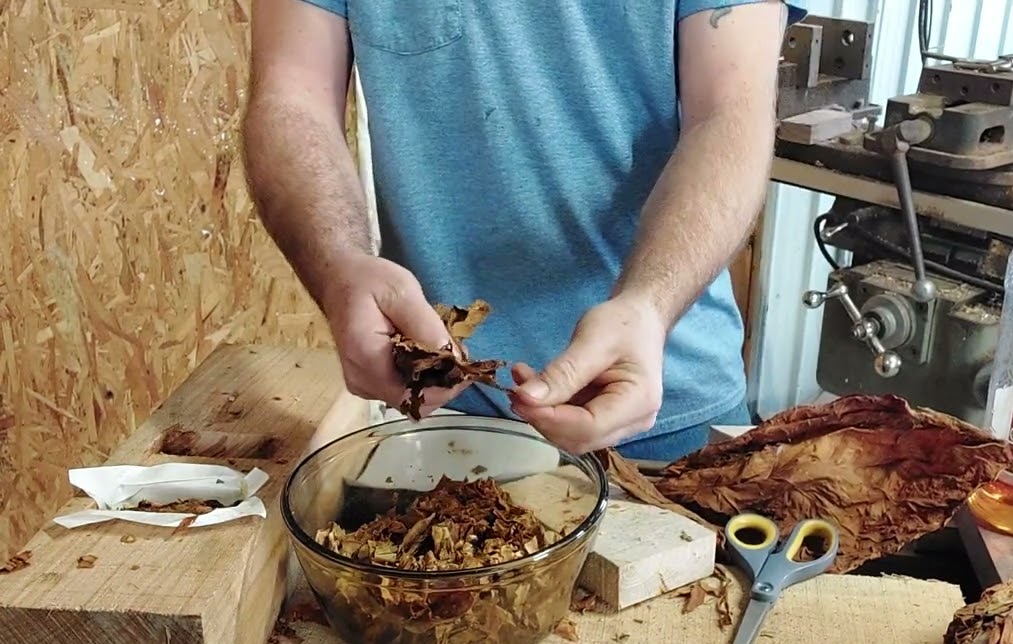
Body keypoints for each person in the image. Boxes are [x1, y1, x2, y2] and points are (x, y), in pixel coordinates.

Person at [242, 0, 802, 462]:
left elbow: (729, 110)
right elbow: (292, 94)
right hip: (442, 423)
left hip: (660, 406)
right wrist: (337, 266)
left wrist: (649, 306)